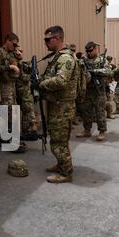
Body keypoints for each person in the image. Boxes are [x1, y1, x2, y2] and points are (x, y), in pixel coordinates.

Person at [37, 26, 78, 184]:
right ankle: (62, 164)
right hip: (57, 105)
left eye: (48, 39)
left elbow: (61, 81)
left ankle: (66, 173)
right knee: (59, 139)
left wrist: (41, 84)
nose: (45, 43)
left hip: (62, 107)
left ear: (58, 38)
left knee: (58, 142)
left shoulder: (65, 58)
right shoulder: (57, 57)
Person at [0, 32, 26, 153]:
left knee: (13, 114)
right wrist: (9, 67)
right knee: (6, 114)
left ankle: (11, 140)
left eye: (17, 44)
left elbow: (20, 70)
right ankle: (6, 141)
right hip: (3, 87)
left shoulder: (12, 54)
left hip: (12, 87)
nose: (15, 46)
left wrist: (19, 58)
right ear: (7, 40)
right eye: (14, 44)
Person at [76, 41, 112, 142]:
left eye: (90, 51)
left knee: (100, 112)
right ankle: (87, 130)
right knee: (86, 111)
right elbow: (78, 71)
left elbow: (109, 71)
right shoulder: (83, 60)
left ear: (95, 49)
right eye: (87, 51)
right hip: (87, 90)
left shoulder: (102, 60)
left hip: (99, 90)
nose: (88, 53)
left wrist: (95, 71)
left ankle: (102, 131)